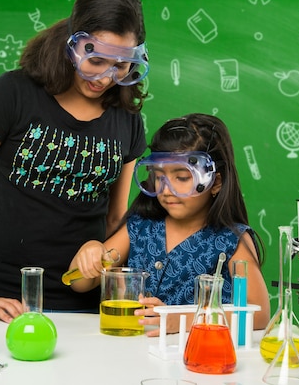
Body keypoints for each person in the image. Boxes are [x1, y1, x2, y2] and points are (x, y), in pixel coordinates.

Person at [0, 0, 149, 322]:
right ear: (73, 44)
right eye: (95, 59)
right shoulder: (12, 94)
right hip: (2, 304)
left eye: (120, 65)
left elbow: (115, 219)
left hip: (85, 308)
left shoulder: (127, 120)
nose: (105, 77)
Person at [67, 113, 270, 336]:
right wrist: (89, 251)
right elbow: (81, 283)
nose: (165, 189)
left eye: (182, 177)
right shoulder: (141, 227)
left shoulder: (232, 241)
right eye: (158, 176)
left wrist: (183, 320)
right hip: (132, 355)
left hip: (195, 360)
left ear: (215, 182)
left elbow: (259, 314)